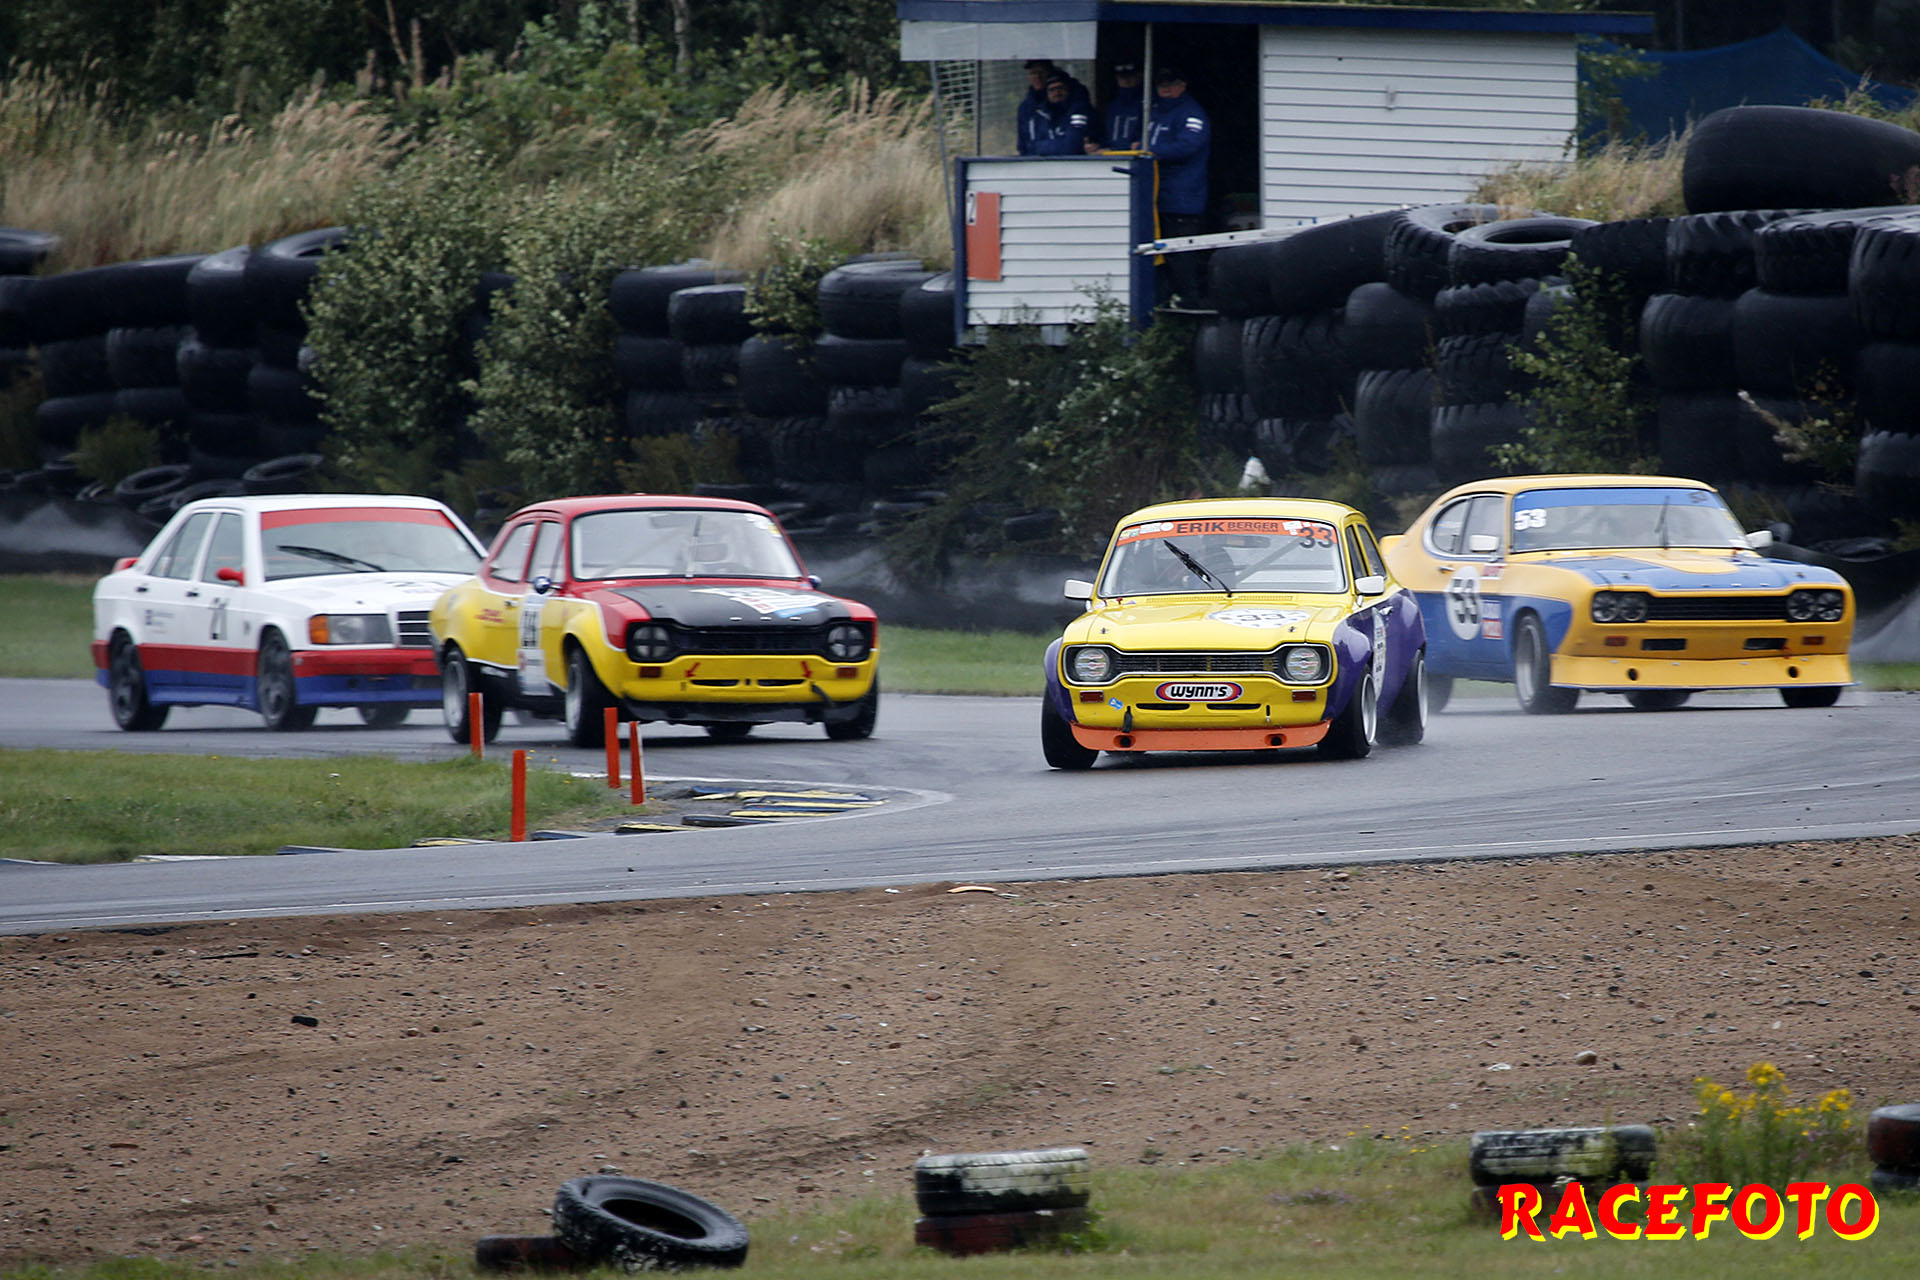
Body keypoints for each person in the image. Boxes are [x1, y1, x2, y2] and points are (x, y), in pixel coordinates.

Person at [1146, 65, 1212, 305]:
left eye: (1171, 84)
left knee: (1182, 255)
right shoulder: (1152, 111)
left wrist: (1150, 151)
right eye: (1161, 84)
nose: (1165, 89)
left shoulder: (1191, 113)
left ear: (1182, 86)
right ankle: (1164, 301)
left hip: (1183, 197)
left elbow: (1187, 147)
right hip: (1155, 196)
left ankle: (1190, 301)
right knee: (1158, 254)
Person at [1017, 59, 1091, 155]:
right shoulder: (1027, 108)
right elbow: (1023, 146)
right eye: (1033, 73)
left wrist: (1036, 146)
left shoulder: (1077, 106)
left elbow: (1072, 145)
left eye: (1041, 72)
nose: (1037, 77)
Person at [1087, 60, 1145, 153]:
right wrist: (1097, 146)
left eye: (1131, 76)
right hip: (1110, 156)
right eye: (1122, 77)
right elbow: (1103, 134)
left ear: (1140, 76)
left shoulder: (1147, 104)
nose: (1126, 80)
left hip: (1134, 155)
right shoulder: (1112, 106)